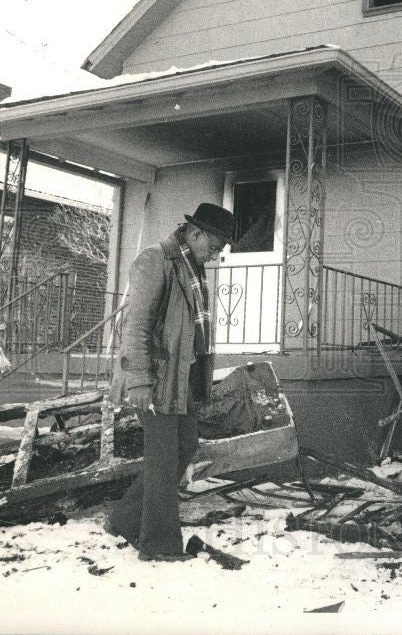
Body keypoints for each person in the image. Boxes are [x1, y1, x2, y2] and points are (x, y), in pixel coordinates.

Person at [106, 202, 234, 561]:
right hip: (156, 378)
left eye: (221, 248)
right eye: (215, 245)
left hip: (180, 379)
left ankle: (125, 518)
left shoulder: (189, 266)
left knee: (185, 445)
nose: (216, 254)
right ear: (194, 233)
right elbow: (136, 327)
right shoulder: (155, 260)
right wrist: (139, 382)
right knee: (162, 460)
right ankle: (159, 546)